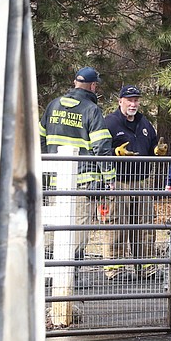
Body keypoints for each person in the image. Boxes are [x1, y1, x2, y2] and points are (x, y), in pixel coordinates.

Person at [40, 67, 116, 260]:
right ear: (93, 86)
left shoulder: (53, 105)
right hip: (84, 183)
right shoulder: (91, 110)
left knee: (54, 225)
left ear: (75, 83)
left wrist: (45, 169)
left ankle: (49, 266)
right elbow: (102, 147)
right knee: (79, 227)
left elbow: (40, 139)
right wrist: (110, 178)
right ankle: (72, 269)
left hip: (55, 180)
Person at [103, 84, 167, 277]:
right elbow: (100, 150)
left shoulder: (145, 124)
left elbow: (154, 146)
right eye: (129, 100)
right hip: (119, 182)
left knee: (145, 225)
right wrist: (115, 153)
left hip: (142, 181)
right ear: (120, 101)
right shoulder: (110, 123)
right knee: (117, 225)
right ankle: (115, 267)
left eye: (136, 100)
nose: (133, 104)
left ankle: (145, 266)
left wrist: (157, 151)